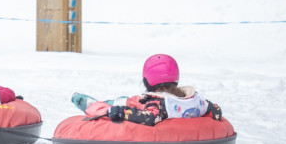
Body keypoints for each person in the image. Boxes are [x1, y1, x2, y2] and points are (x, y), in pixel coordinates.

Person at [73, 53, 223, 126]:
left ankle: (93, 106)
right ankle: (103, 103)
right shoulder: (195, 99)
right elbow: (215, 110)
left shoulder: (158, 104)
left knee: (125, 103)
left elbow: (150, 117)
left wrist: (122, 112)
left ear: (147, 80)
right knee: (130, 101)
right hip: (152, 100)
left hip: (140, 104)